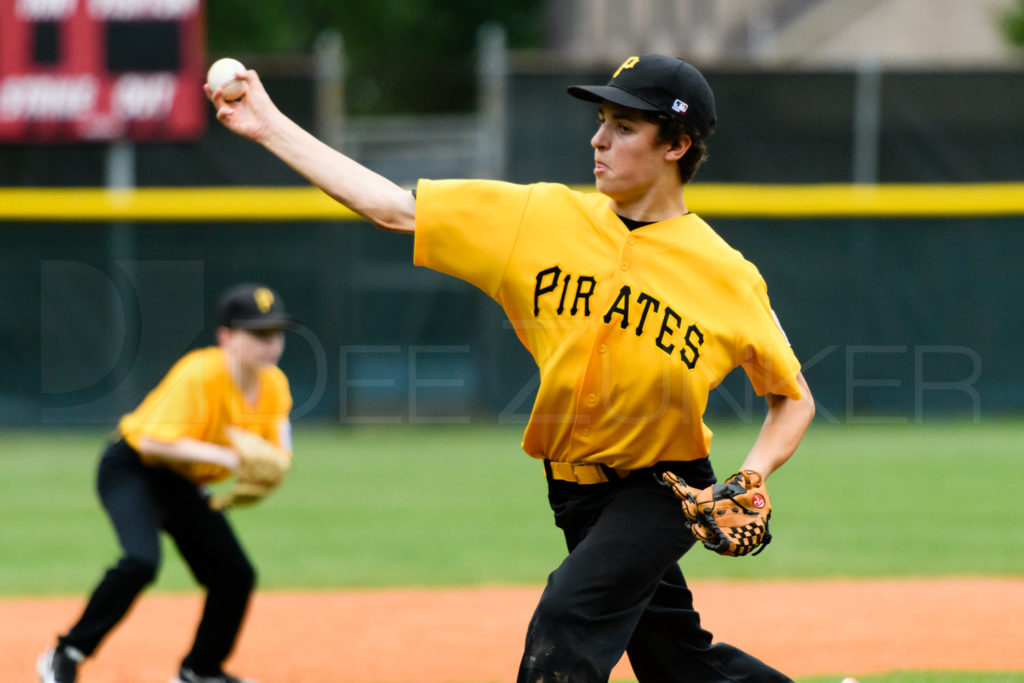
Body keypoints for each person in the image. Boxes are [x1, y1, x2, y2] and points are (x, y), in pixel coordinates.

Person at [208, 53, 815, 681]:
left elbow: (792, 397)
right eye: (601, 119)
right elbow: (393, 207)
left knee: (564, 626)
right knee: (676, 663)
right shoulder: (540, 218)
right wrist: (266, 125)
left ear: (678, 144)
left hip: (663, 490)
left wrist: (752, 473)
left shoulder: (728, 275)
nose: (598, 138)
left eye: (624, 126)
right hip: (573, 490)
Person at [37, 283, 298, 683]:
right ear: (226, 337)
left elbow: (279, 451)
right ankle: (65, 653)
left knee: (234, 574)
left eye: (276, 333)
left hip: (183, 481)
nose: (271, 344)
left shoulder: (274, 385)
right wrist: (228, 458)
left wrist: (271, 474)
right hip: (132, 467)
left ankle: (200, 671)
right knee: (141, 561)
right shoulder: (201, 373)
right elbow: (154, 442)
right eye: (258, 333)